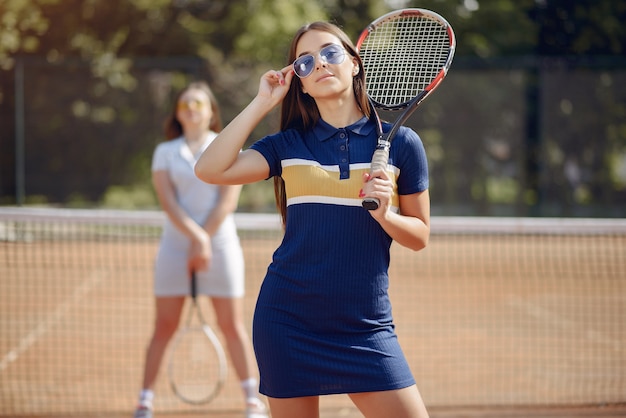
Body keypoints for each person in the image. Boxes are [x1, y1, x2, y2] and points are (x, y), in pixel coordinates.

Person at [195, 21, 431, 418]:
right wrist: (262, 102)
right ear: (300, 82)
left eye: (330, 53)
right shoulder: (287, 144)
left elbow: (419, 236)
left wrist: (386, 215)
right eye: (305, 62)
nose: (319, 64)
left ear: (355, 64)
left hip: (366, 326)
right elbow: (210, 168)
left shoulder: (402, 144)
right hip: (287, 323)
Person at [134, 81, 268, 418]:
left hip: (221, 247)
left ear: (211, 112)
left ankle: (252, 400)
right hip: (174, 249)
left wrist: (205, 239)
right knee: (164, 325)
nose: (191, 109)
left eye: (198, 103)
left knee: (232, 325)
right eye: (184, 105)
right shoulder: (164, 152)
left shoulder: (226, 147)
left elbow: (227, 201)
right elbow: (168, 202)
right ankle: (145, 400)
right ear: (177, 115)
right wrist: (197, 238)